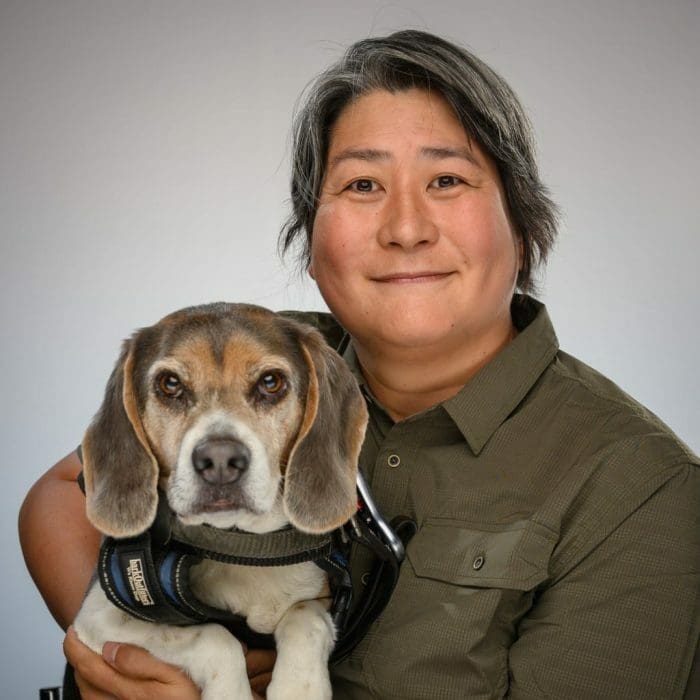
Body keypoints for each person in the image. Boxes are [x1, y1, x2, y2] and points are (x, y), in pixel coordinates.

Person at [19, 29, 698, 700]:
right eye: (363, 183)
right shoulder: (276, 356)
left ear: (521, 225)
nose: (406, 228)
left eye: (447, 179)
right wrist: (136, 661)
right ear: (310, 241)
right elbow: (67, 493)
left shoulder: (643, 490)